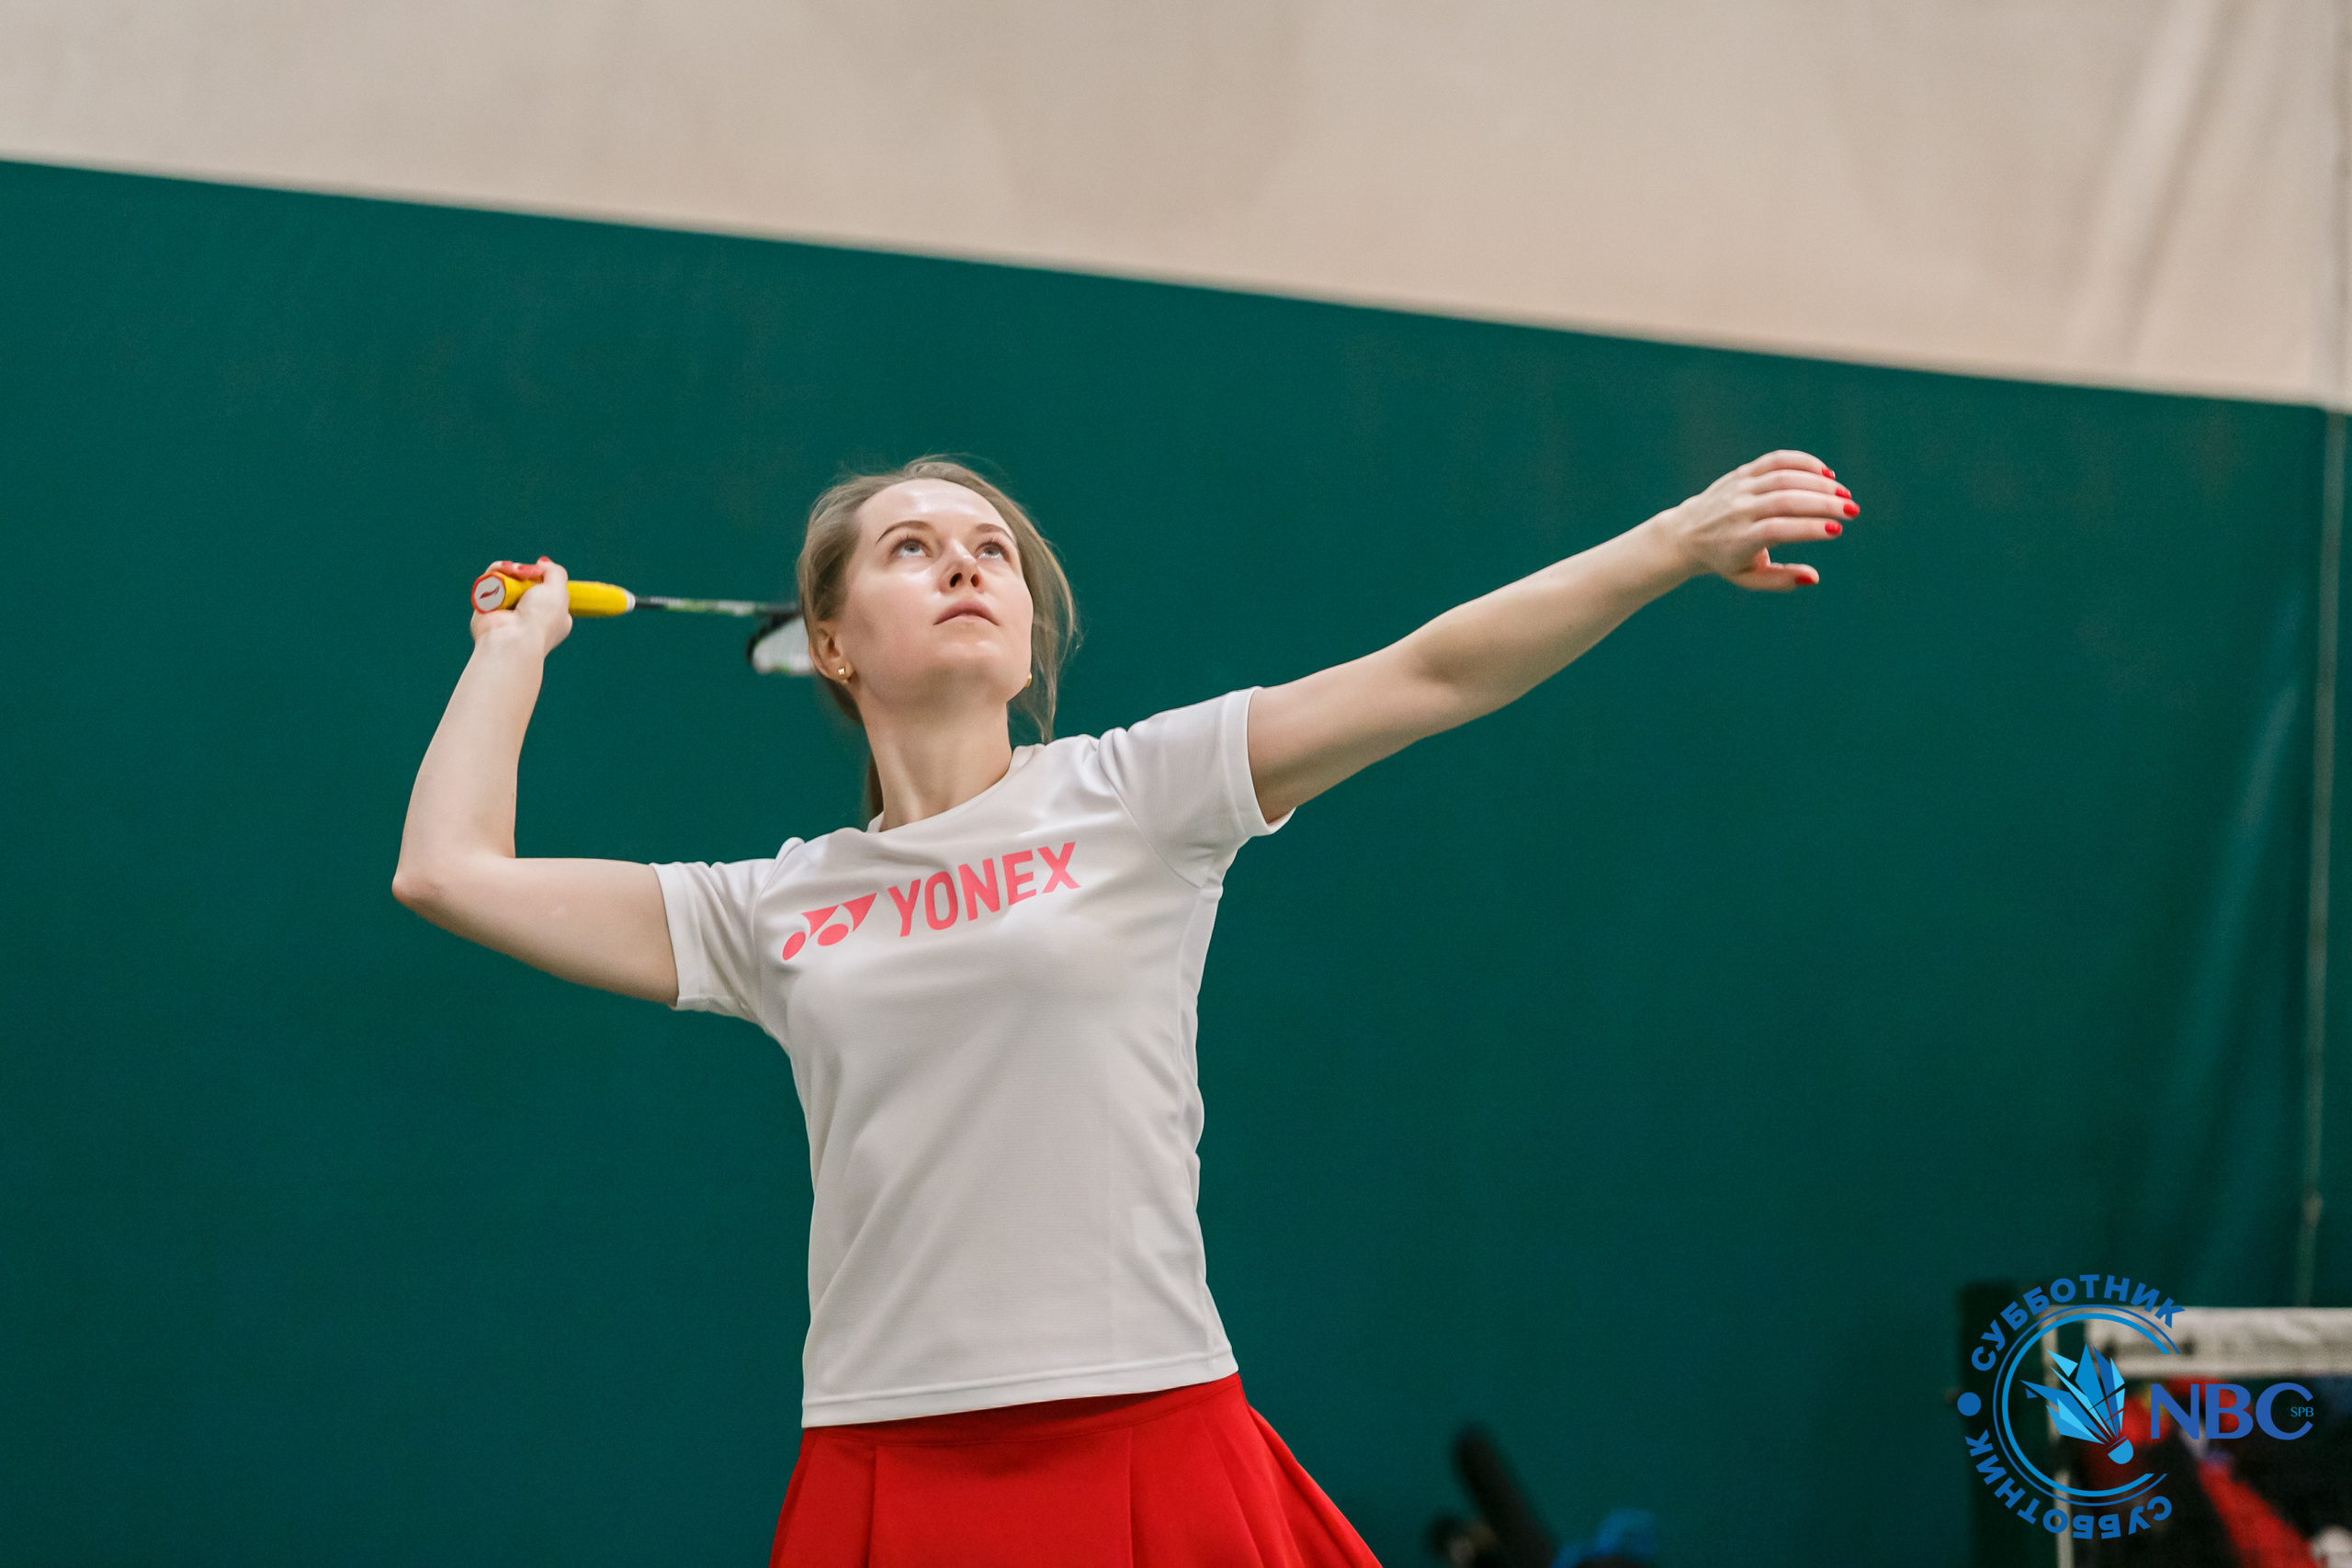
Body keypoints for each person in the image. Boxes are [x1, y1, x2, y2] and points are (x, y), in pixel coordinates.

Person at [392, 451, 1856, 1565]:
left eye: (993, 554)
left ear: (1029, 639)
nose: (965, 566)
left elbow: (1432, 672)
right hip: (885, 1458)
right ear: (829, 643)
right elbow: (450, 875)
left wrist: (1668, 545)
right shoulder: (768, 903)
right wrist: (508, 653)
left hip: (1148, 1426)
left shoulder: (1136, 794)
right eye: (913, 550)